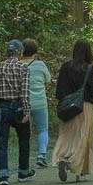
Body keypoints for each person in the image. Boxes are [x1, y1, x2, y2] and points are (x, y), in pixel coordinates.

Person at [52, 39, 93, 182]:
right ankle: (77, 169)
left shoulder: (65, 67)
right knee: (83, 138)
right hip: (86, 108)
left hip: (68, 108)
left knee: (67, 136)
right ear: (89, 52)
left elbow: (59, 92)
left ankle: (62, 157)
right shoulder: (89, 69)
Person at [0, 40, 34, 185]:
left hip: (2, 106)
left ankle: (3, 174)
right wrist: (27, 110)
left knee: (2, 141)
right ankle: (23, 171)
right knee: (24, 140)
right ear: (20, 52)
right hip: (18, 106)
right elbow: (25, 92)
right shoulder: (23, 68)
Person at [23, 38, 53, 168]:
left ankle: (25, 157)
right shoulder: (40, 65)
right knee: (43, 129)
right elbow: (48, 80)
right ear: (35, 51)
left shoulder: (18, 65)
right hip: (40, 102)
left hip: (24, 103)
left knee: (25, 131)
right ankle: (41, 155)